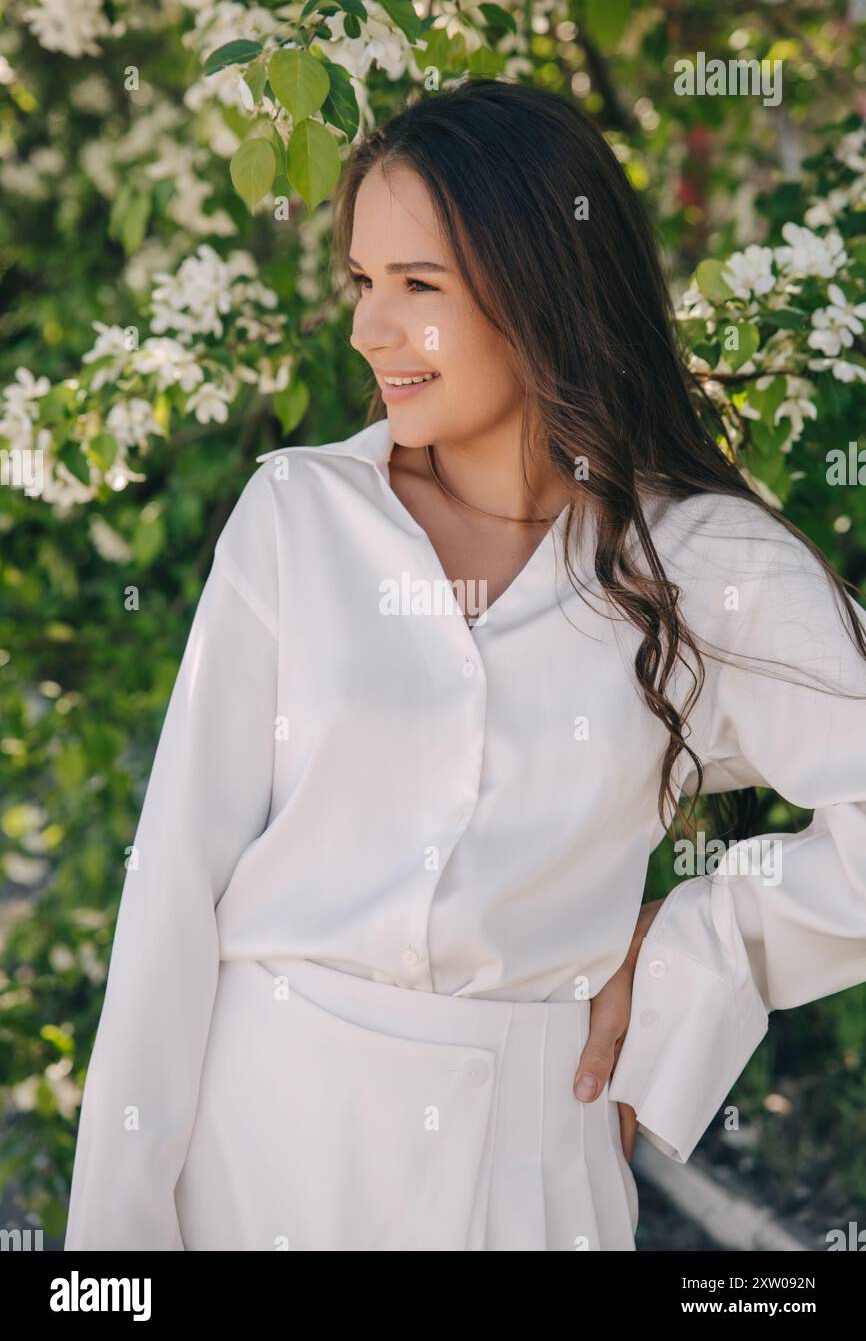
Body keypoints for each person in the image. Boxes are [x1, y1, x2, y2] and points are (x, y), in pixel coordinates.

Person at [64, 78, 866, 1252]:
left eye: (417, 286)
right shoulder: (297, 517)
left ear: (541, 287)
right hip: (254, 1164)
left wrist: (701, 943)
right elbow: (173, 894)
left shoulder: (693, 562)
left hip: (523, 1188)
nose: (366, 330)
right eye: (360, 281)